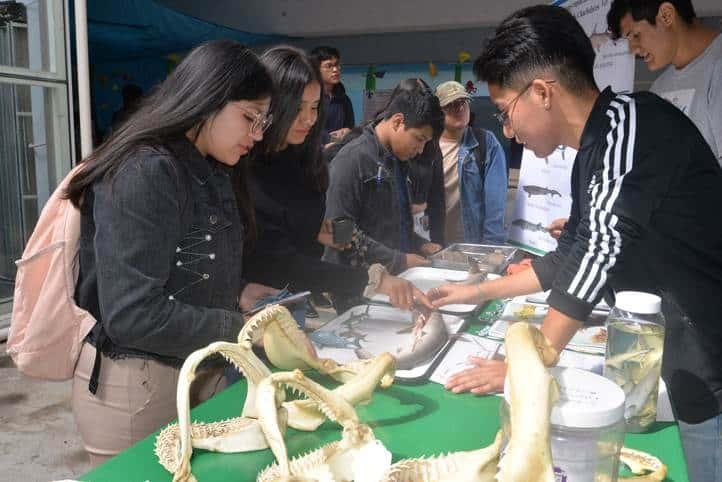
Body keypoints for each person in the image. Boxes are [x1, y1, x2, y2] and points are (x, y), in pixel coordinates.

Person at [429, 6, 722, 481]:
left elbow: (599, 249)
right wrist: (475, 292)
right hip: (670, 363)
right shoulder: (594, 152)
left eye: (505, 113)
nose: (507, 130)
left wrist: (528, 366)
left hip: (707, 369)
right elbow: (570, 253)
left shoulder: (630, 124)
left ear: (542, 92)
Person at [64, 40, 281, 464]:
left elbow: (180, 262)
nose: (256, 135)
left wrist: (237, 290)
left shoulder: (210, 166)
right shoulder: (145, 170)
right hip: (140, 389)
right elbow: (132, 314)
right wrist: (242, 327)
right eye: (249, 117)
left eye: (263, 121)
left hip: (197, 370)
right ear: (207, 100)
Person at [244, 46, 431, 313]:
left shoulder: (301, 157)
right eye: (298, 108)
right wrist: (371, 280)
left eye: (316, 106)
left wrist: (388, 258)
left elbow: (324, 227)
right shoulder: (244, 164)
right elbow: (282, 261)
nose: (309, 119)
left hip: (293, 300)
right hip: (250, 305)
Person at [323, 86, 445, 274]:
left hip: (394, 279)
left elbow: (389, 225)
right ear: (397, 122)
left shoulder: (399, 161)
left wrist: (418, 243)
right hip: (356, 285)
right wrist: (398, 260)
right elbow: (338, 233)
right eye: (419, 139)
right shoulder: (352, 159)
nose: (420, 149)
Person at [607, 0, 722, 164]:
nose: (632, 50)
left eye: (636, 35)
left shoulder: (717, 67)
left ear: (666, 15)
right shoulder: (658, 88)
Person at [434, 80, 508, 245]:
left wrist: (491, 246)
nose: (459, 108)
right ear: (438, 112)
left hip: (471, 244)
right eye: (451, 104)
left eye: (463, 102)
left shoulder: (486, 142)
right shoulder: (425, 146)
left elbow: (495, 202)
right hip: (434, 244)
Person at [310, 46, 355, 145]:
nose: (335, 70)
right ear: (316, 69)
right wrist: (330, 138)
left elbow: (351, 128)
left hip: (338, 154)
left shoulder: (344, 99)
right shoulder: (309, 98)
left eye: (337, 65)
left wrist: (348, 132)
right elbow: (307, 128)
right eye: (329, 66)